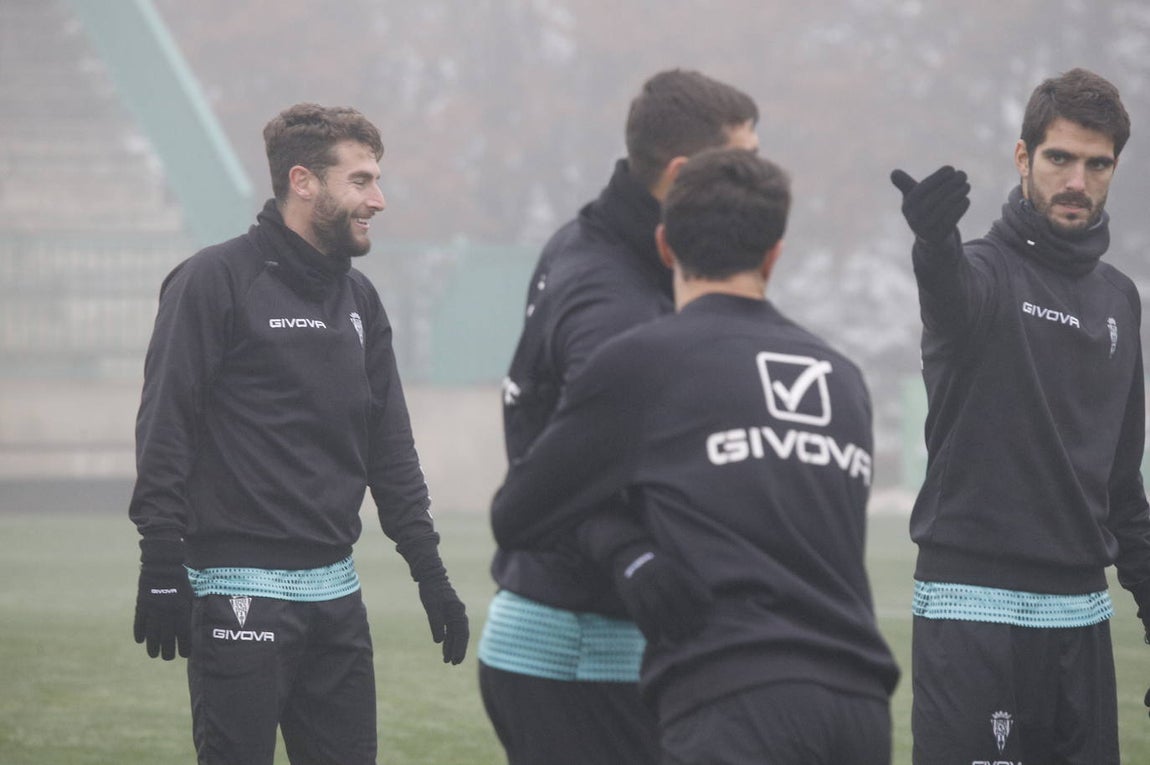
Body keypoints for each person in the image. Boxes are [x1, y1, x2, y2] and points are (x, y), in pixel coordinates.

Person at [489, 147, 900, 764]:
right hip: (861, 706)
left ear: (664, 246)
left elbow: (517, 513)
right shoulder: (842, 378)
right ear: (773, 256)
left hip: (733, 700)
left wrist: (623, 546)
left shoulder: (647, 362)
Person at [129, 103, 469, 765]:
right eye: (362, 180)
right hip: (239, 598)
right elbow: (165, 425)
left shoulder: (360, 301)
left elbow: (390, 450)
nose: (379, 198)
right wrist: (162, 558)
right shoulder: (214, 280)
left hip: (338, 601)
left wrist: (431, 574)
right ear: (304, 181)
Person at [478, 69, 761, 764]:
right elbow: (560, 465)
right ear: (683, 172)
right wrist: (629, 551)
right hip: (579, 646)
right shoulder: (613, 300)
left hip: (584, 634)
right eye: (742, 166)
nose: (756, 184)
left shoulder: (604, 245)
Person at [890, 67, 1150, 764]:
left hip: (1081, 617)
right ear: (1023, 157)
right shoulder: (981, 272)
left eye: (1098, 165)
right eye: (1060, 158)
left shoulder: (1122, 300)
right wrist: (932, 244)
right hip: (972, 610)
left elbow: (1123, 490)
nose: (1077, 180)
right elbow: (948, 292)